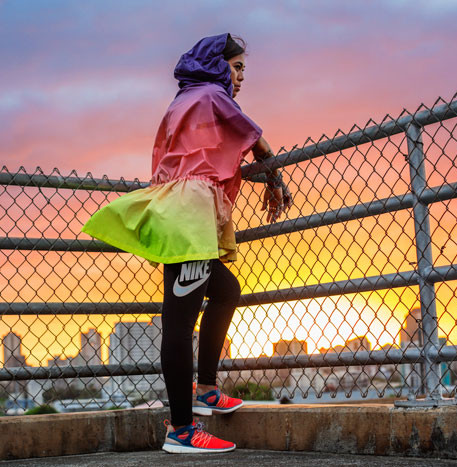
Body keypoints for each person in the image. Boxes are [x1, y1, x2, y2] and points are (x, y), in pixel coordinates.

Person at [82, 33, 290, 454]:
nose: (241, 77)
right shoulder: (212, 95)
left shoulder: (183, 101)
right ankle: (180, 429)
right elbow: (255, 138)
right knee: (178, 324)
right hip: (188, 215)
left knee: (226, 291)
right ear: (217, 65)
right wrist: (276, 178)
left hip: (182, 210)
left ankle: (207, 389)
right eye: (237, 67)